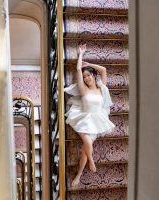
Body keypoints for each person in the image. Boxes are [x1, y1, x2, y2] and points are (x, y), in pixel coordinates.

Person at [65, 43, 115, 187]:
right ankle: (91, 161)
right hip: (82, 118)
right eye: (84, 76)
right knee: (87, 143)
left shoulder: (101, 88)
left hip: (97, 120)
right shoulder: (83, 90)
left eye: (88, 76)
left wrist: (89, 64)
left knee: (85, 151)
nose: (86, 78)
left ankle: (79, 174)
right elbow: (77, 70)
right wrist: (80, 55)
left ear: (93, 75)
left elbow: (104, 70)